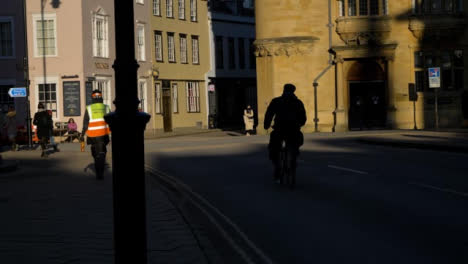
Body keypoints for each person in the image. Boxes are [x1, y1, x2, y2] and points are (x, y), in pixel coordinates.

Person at [264, 84, 307, 182]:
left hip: (280, 128)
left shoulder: (276, 101)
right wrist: (299, 124)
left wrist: (266, 125)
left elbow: (269, 113)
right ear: (293, 91)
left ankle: (277, 166)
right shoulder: (298, 102)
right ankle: (294, 154)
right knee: (296, 142)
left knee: (274, 148)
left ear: (283, 90)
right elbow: (303, 117)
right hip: (293, 129)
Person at [80, 90, 111, 179]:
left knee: (95, 153)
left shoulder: (89, 108)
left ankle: (98, 170)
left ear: (92, 97)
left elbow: (85, 122)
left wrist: (82, 134)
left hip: (92, 135)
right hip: (104, 134)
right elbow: (111, 121)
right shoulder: (106, 107)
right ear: (101, 97)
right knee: (102, 152)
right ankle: (100, 171)